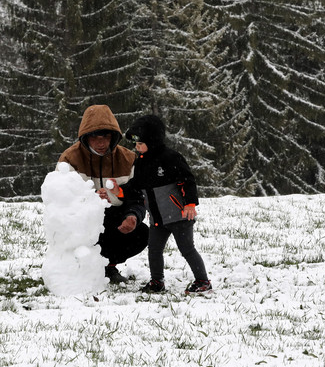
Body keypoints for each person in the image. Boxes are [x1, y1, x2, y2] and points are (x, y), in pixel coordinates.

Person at [59, 105, 149, 284]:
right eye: (95, 137)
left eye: (106, 137)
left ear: (114, 136)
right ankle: (78, 266)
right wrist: (89, 200)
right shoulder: (70, 159)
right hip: (81, 221)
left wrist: (133, 216)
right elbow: (60, 202)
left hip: (114, 218)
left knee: (142, 233)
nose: (101, 143)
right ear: (85, 137)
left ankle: (108, 266)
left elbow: (138, 198)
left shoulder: (129, 159)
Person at [123, 114, 212, 294]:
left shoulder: (170, 158)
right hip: (157, 218)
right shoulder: (140, 162)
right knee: (154, 250)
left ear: (153, 141)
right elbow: (136, 185)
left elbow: (188, 180)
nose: (137, 148)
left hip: (179, 215)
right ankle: (157, 282)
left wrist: (190, 204)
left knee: (187, 248)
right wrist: (118, 191)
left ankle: (203, 281)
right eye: (136, 145)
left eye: (140, 144)